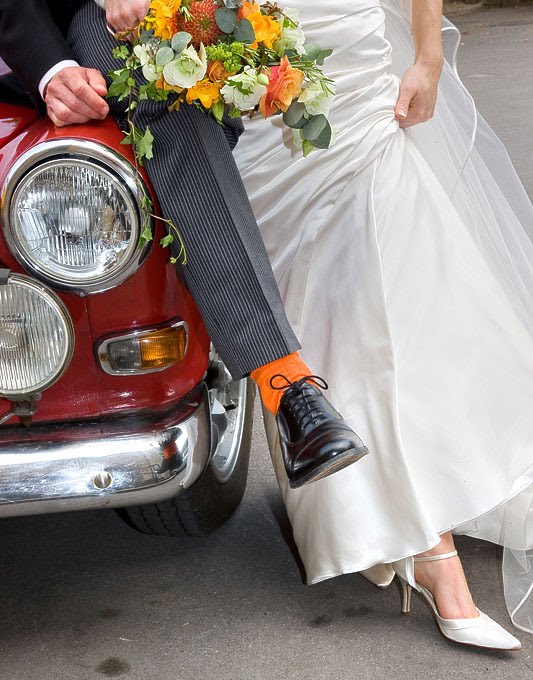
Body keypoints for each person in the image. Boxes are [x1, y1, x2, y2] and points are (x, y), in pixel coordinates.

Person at [233, 0, 533, 651]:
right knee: (317, 304)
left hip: (352, 59)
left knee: (401, 282)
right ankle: (386, 514)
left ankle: (428, 541)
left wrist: (426, 57)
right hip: (252, 70)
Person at [0, 0, 370, 490]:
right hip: (38, 32)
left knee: (167, 87)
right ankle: (288, 384)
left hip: (103, 17)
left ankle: (282, 380)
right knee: (174, 93)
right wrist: (51, 70)